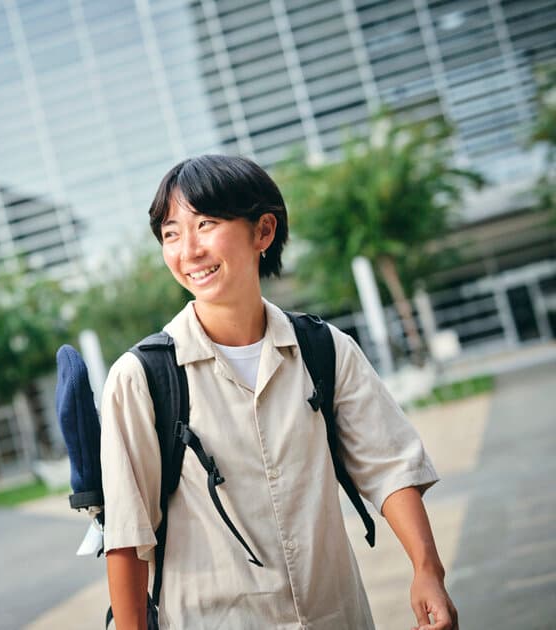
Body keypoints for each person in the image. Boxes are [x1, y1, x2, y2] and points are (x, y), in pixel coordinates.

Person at [99, 155, 458, 630]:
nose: (188, 250)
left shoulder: (325, 349)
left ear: (263, 231)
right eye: (171, 233)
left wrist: (427, 571)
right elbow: (127, 536)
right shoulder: (141, 377)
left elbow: (389, 466)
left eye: (206, 224)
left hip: (337, 616)